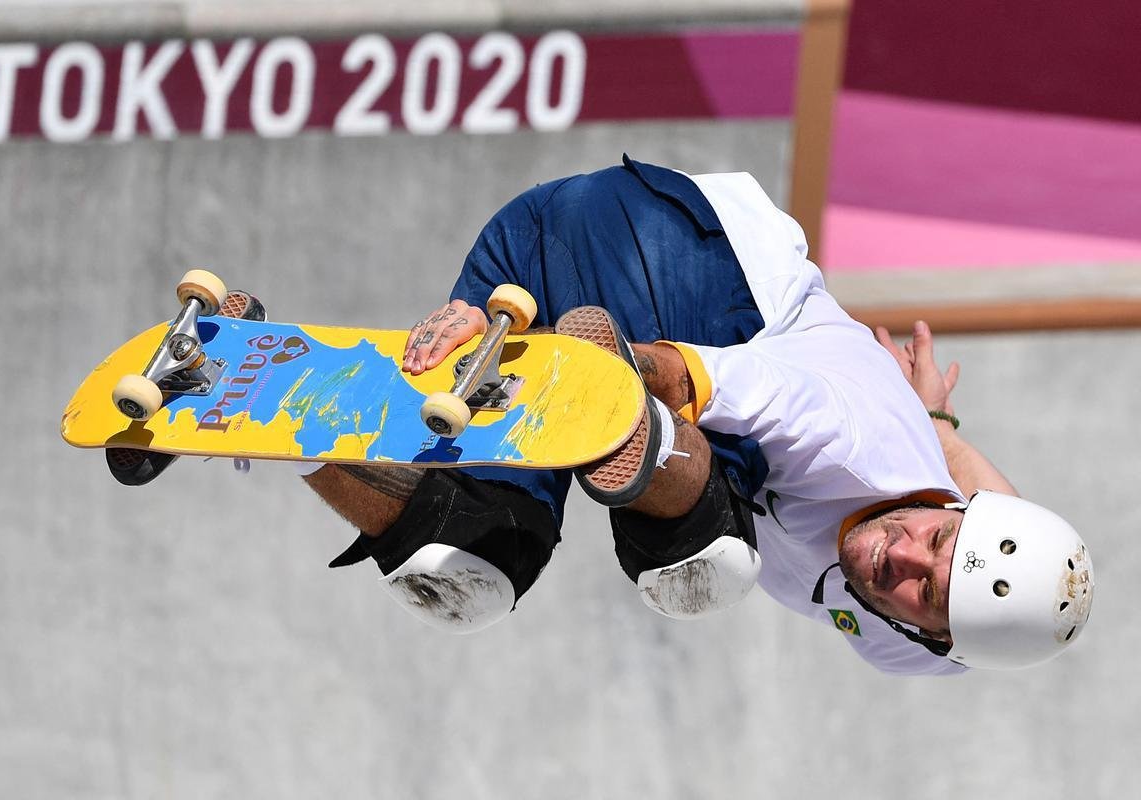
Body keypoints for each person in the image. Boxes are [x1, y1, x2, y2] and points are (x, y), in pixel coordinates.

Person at [298, 155, 1094, 675]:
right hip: (669, 249)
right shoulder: (856, 438)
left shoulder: (922, 651)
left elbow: (994, 535)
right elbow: (702, 376)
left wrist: (944, 435)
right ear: (953, 507)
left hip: (524, 249)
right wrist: (618, 369)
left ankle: (297, 415)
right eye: (939, 539)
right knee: (707, 555)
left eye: (931, 594)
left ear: (937, 639)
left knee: (471, 571)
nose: (905, 559)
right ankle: (622, 412)